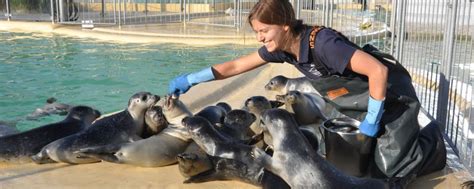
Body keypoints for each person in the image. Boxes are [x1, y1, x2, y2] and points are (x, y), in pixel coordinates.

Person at [168, 0, 445, 184]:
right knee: (348, 169)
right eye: (257, 32)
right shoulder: (284, 50)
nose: (260, 38)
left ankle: (432, 144)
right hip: (356, 103)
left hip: (392, 97)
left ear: (285, 25)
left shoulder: (324, 45)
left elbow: (378, 72)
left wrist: (373, 119)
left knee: (389, 174)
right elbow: (237, 65)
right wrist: (193, 78)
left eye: (264, 30)